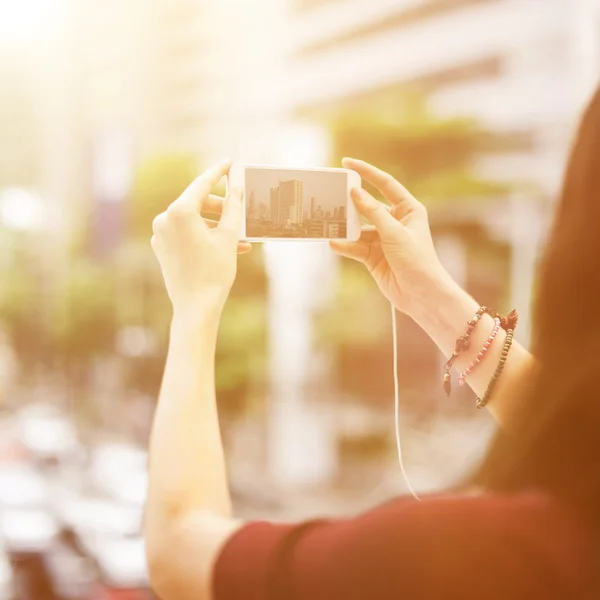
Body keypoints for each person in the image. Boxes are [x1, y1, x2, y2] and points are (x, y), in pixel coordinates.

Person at [143, 86, 600, 600]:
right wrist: (429, 295)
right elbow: (580, 440)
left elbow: (178, 551)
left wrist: (195, 304)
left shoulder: (483, 555)